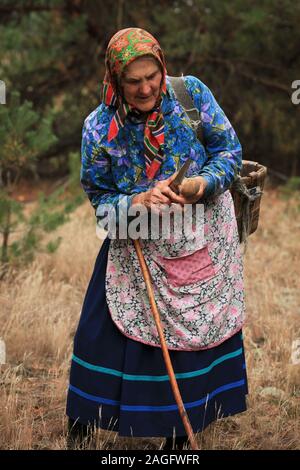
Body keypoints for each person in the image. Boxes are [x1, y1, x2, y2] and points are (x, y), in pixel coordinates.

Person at [66, 27, 248, 450]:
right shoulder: (98, 128)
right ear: (114, 79)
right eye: (134, 81)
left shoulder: (191, 96)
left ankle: (176, 440)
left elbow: (229, 152)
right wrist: (138, 201)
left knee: (188, 336)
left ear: (162, 67)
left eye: (153, 76)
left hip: (198, 236)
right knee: (100, 333)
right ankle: (83, 424)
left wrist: (201, 184)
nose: (147, 87)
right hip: (136, 242)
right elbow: (100, 200)